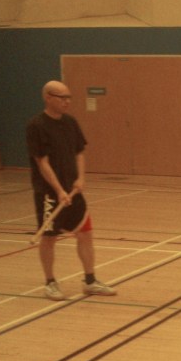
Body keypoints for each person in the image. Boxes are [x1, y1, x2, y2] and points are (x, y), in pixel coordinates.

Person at [26, 80, 117, 301]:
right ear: (48, 97)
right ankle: (50, 283)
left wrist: (80, 178)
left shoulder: (70, 122)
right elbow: (42, 162)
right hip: (49, 194)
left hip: (74, 191)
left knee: (85, 233)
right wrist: (58, 190)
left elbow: (79, 153)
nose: (67, 101)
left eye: (69, 97)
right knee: (49, 238)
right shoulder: (36, 126)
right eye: (62, 97)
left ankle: (90, 281)